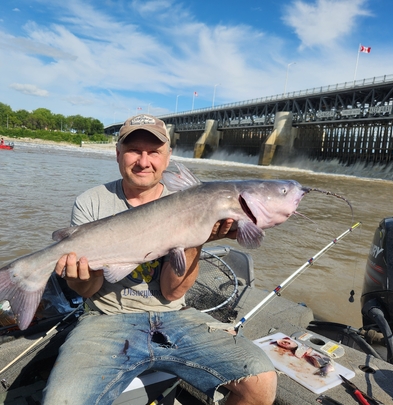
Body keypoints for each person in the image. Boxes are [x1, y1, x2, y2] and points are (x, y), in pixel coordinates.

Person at [43, 114, 277, 405]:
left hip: (175, 316)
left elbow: (172, 292)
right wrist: (79, 277)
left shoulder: (193, 198)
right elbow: (89, 290)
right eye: (134, 151)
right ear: (117, 154)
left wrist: (197, 237)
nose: (144, 161)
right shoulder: (92, 201)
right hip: (106, 319)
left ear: (167, 158)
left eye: (154, 152)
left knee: (261, 380)